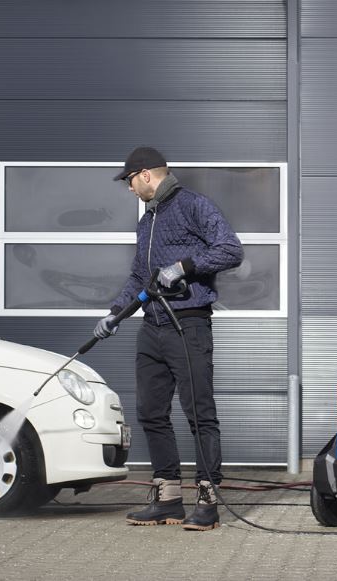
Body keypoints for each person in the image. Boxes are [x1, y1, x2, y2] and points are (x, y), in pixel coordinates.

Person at [94, 146, 243, 531]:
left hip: (188, 324)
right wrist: (114, 312)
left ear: (145, 174)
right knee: (150, 412)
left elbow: (230, 249)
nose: (128, 189)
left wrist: (184, 267)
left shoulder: (193, 205)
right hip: (153, 326)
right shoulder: (147, 221)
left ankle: (208, 500)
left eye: (129, 181)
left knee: (199, 415)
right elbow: (138, 277)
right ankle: (169, 499)